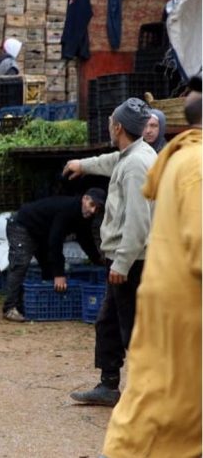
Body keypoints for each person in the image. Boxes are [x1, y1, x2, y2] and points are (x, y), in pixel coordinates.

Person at [101, 77, 201, 458]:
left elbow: (140, 222)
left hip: (154, 285)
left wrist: (122, 261)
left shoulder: (175, 162)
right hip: (161, 289)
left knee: (135, 340)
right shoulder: (172, 160)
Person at [63, 97, 156, 407]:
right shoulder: (134, 155)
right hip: (125, 259)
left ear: (118, 127)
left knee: (132, 328)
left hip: (132, 261)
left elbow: (139, 221)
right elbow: (110, 161)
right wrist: (83, 165)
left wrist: (123, 263)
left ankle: (147, 393)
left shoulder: (136, 165)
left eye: (111, 122)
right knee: (110, 323)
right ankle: (109, 385)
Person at [2, 190, 107, 322]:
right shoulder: (68, 210)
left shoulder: (84, 216)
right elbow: (55, 241)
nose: (92, 210)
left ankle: (41, 304)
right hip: (23, 225)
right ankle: (10, 307)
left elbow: (85, 239)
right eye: (91, 205)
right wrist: (59, 274)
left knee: (47, 266)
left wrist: (97, 259)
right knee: (20, 264)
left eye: (97, 208)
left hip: (41, 231)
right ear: (84, 199)